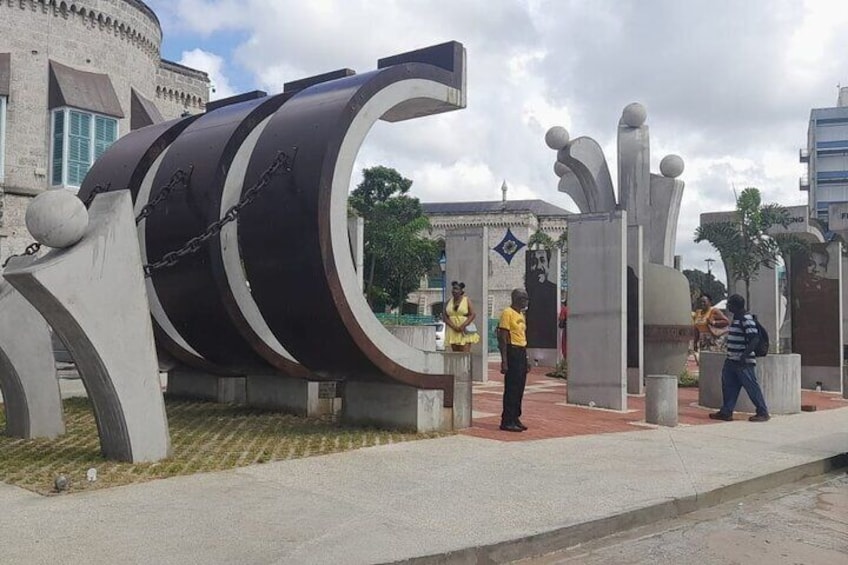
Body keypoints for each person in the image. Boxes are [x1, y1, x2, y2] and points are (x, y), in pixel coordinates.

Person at [709, 294, 770, 422]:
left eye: (729, 304)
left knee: (752, 387)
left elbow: (754, 339)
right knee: (729, 386)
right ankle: (726, 411)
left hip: (743, 362)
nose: (728, 306)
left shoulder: (746, 319)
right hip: (731, 360)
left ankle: (762, 412)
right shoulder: (737, 319)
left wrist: (744, 355)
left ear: (735, 306)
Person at [498, 288, 530, 432]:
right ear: (516, 299)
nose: (526, 301)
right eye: (523, 298)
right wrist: (504, 360)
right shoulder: (507, 313)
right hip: (512, 351)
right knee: (511, 388)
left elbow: (522, 337)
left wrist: (526, 358)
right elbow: (503, 337)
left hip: (521, 351)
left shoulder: (521, 314)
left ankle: (515, 417)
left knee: (520, 388)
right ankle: (507, 420)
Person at [525, 248, 557, 349]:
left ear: (548, 265)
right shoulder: (525, 294)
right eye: (534, 262)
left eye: (542, 260)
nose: (538, 266)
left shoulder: (554, 292)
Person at [441, 281, 480, 352]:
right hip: (453, 330)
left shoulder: (466, 300)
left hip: (464, 329)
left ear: (461, 291)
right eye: (453, 289)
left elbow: (472, 314)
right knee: (456, 353)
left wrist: (463, 326)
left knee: (465, 352)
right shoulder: (448, 302)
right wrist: (454, 327)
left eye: (456, 289)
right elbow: (445, 316)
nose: (454, 291)